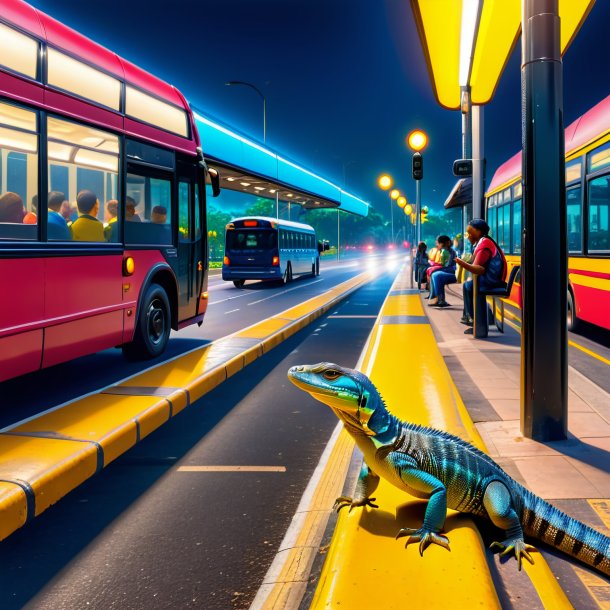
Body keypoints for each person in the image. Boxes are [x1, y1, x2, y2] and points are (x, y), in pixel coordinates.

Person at [455, 219, 507, 334]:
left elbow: (478, 269)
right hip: (493, 278)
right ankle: (474, 319)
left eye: (470, 233)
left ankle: (475, 321)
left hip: (492, 280)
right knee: (469, 285)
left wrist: (461, 263)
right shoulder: (484, 241)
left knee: (469, 286)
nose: (468, 236)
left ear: (478, 231)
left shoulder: (484, 244)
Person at [428, 235, 457, 307]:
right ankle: (436, 298)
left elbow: (448, 265)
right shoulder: (445, 251)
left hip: (452, 271)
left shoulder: (448, 252)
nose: (437, 245)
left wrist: (437, 267)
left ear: (443, 243)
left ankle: (438, 299)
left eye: (438, 243)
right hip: (450, 269)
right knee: (434, 273)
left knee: (436, 274)